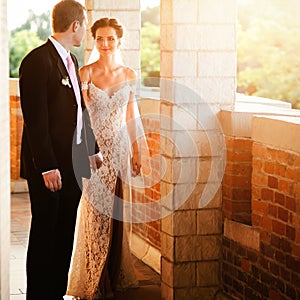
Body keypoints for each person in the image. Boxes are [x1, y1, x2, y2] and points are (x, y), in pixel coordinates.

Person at [19, 1, 101, 299]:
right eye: (85, 24)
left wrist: (92, 148)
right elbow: (35, 121)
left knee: (65, 230)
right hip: (49, 167)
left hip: (73, 163)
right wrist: (47, 166)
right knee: (45, 232)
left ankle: (55, 293)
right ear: (75, 26)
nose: (86, 31)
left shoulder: (72, 61)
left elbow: (79, 109)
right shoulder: (37, 61)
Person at [66, 17, 143, 299]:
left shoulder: (130, 74)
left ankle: (110, 274)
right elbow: (77, 117)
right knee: (93, 213)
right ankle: (93, 280)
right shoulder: (84, 73)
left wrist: (136, 151)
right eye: (100, 38)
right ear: (94, 40)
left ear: (119, 41)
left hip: (119, 151)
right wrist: (82, 150)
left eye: (111, 38)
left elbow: (132, 116)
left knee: (114, 216)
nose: (105, 44)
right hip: (93, 152)